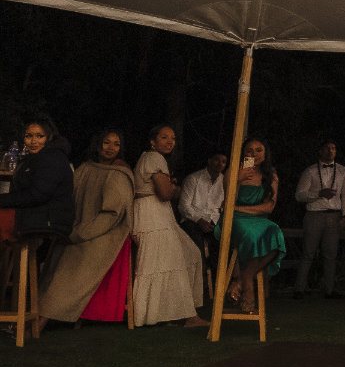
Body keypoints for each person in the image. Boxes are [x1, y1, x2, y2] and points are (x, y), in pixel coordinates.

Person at [40, 127, 135, 323]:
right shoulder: (85, 169)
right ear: (98, 145)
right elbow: (68, 199)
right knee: (56, 258)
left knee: (70, 263)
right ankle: (36, 314)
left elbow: (111, 215)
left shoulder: (118, 174)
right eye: (107, 142)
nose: (111, 148)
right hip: (75, 230)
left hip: (101, 236)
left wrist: (81, 234)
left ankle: (42, 319)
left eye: (116, 144)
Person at [131, 125, 204, 326]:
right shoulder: (154, 158)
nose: (170, 141)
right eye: (164, 137)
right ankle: (185, 316)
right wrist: (177, 189)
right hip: (152, 215)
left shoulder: (151, 158)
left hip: (158, 214)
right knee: (164, 262)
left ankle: (173, 313)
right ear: (152, 142)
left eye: (172, 138)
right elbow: (164, 193)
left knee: (189, 254)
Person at [214, 137, 285, 312]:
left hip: (255, 217)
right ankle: (248, 288)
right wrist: (238, 179)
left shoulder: (271, 175)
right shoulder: (234, 170)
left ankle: (242, 281)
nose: (254, 154)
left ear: (265, 153)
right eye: (249, 151)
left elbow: (269, 206)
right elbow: (228, 202)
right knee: (252, 235)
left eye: (259, 150)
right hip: (233, 219)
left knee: (276, 233)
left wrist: (243, 209)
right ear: (243, 153)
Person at [0, 116, 75, 243]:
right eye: (29, 136)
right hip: (34, 214)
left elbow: (36, 195)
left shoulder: (53, 158)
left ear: (49, 137)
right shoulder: (35, 158)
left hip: (49, 219)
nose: (33, 141)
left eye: (39, 136)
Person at [294, 138, 345, 298]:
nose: (330, 151)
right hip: (314, 215)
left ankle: (329, 289)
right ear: (320, 151)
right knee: (308, 252)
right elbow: (299, 195)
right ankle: (299, 288)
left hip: (334, 215)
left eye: (333, 148)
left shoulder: (343, 171)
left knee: (331, 254)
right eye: (327, 148)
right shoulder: (310, 171)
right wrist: (318, 194)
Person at [178, 152, 227, 290]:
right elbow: (183, 206)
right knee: (196, 247)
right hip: (192, 220)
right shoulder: (194, 178)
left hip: (214, 221)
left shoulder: (225, 181)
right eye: (217, 159)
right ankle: (198, 284)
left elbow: (222, 208)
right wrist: (199, 220)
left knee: (223, 245)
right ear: (209, 160)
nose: (220, 164)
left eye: (223, 161)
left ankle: (219, 286)